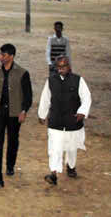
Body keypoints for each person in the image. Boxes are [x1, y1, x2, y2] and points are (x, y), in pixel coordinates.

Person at [0, 44, 33, 188]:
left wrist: (24, 110)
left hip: (14, 113)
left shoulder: (22, 73)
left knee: (12, 140)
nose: (0, 57)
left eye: (3, 55)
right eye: (0, 54)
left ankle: (10, 165)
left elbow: (28, 95)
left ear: (11, 56)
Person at [38, 56, 91, 186]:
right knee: (54, 149)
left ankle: (71, 167)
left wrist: (82, 112)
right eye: (59, 67)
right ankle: (53, 174)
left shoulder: (78, 80)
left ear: (69, 66)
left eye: (64, 67)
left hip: (72, 122)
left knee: (71, 148)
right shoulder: (51, 81)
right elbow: (45, 98)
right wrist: (42, 114)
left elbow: (86, 97)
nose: (61, 70)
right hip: (56, 121)